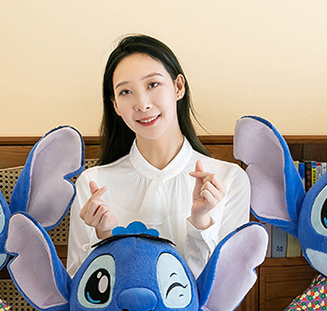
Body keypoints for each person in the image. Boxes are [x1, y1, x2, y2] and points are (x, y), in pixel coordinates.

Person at [66, 34, 251, 278]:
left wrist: (201, 221)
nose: (142, 104)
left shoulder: (230, 179)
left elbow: (225, 289)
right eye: (125, 92)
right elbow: (78, 287)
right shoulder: (93, 184)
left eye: (152, 85)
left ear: (178, 87)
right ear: (115, 105)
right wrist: (105, 238)